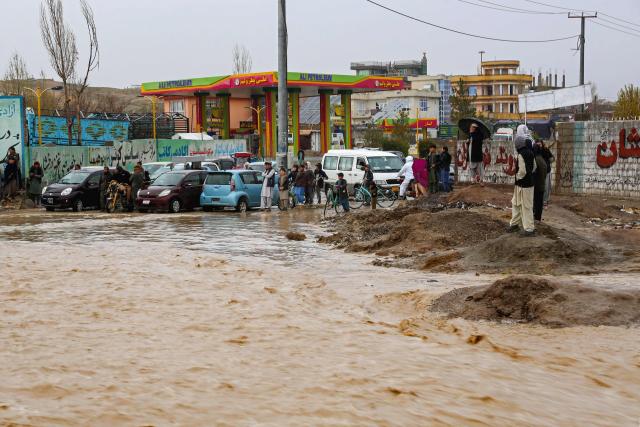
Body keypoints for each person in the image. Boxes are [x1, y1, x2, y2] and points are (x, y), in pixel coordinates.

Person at [508, 124, 536, 236]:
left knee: (524, 206)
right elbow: (534, 167)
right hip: (528, 184)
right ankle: (514, 223)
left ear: (517, 145)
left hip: (522, 185)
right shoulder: (530, 153)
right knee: (517, 204)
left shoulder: (521, 155)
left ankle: (529, 229)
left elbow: (522, 171)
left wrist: (518, 177)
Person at [533, 141, 548, 222]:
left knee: (536, 203)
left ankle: (536, 218)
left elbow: (535, 173)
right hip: (542, 184)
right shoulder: (541, 159)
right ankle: (538, 218)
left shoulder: (536, 160)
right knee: (539, 203)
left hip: (537, 185)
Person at [540, 140, 554, 206]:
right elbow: (552, 159)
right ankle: (545, 201)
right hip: (546, 171)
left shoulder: (536, 150)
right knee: (546, 186)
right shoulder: (546, 150)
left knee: (542, 186)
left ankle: (542, 201)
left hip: (540, 171)